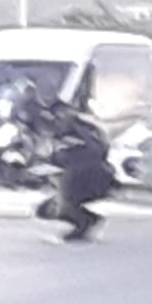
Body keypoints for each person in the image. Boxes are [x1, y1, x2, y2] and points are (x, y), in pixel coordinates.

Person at [44, 102, 116, 242]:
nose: (60, 117)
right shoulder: (88, 127)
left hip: (84, 173)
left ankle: (83, 224)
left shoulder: (71, 131)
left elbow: (61, 155)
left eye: (62, 114)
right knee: (47, 209)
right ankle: (89, 219)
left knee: (61, 206)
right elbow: (104, 147)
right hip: (100, 173)